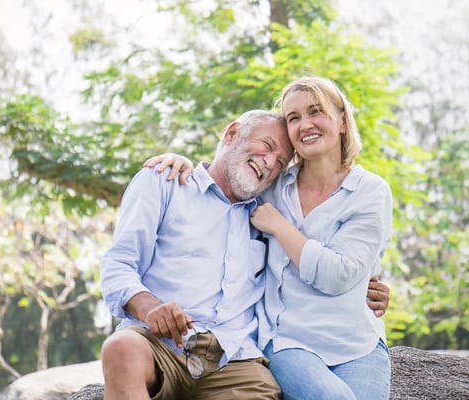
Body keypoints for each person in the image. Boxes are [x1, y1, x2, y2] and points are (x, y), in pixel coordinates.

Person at [144, 76, 393, 399]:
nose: (305, 125)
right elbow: (222, 184)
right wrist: (185, 163)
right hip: (288, 341)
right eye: (293, 118)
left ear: (343, 120)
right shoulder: (270, 185)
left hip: (358, 343)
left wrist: (280, 227)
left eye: (315, 112)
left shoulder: (370, 191)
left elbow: (339, 275)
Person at [100, 110, 293, 400]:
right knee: (120, 348)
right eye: (267, 146)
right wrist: (150, 307)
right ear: (231, 134)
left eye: (280, 163)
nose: (269, 163)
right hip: (157, 345)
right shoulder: (164, 181)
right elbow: (118, 264)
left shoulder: (270, 212)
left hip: (233, 358)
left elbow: (319, 246)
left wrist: (362, 282)